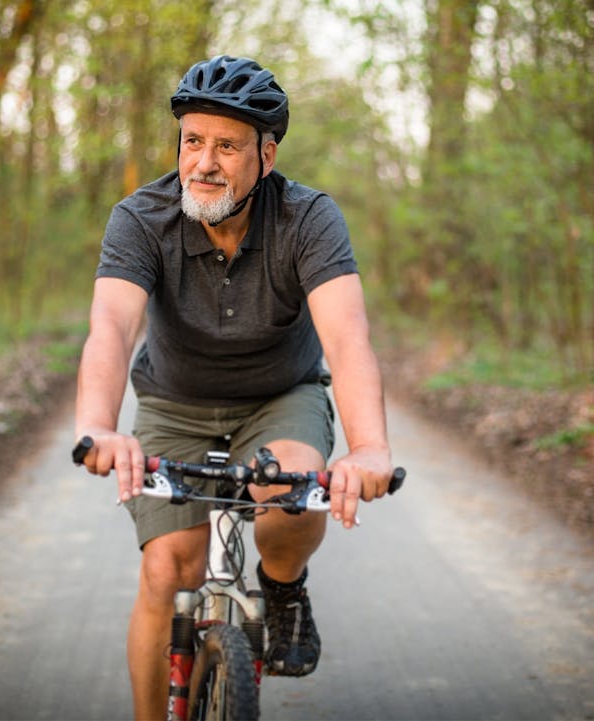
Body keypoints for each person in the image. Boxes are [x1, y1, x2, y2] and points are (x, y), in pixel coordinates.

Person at [75, 54, 393, 720]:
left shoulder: (308, 219)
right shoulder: (141, 218)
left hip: (281, 396)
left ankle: (283, 588)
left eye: (227, 145)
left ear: (266, 156)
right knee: (169, 567)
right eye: (194, 140)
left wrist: (366, 446)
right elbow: (110, 325)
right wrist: (100, 424)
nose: (204, 162)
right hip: (173, 401)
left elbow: (347, 337)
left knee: (288, 496)